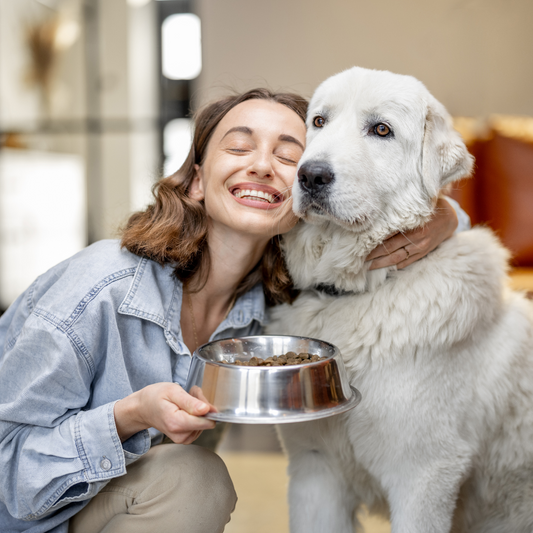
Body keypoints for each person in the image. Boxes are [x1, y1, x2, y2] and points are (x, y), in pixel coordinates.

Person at [0, 88, 469, 533]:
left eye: (289, 157)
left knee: (190, 482)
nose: (264, 166)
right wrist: (130, 414)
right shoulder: (99, 287)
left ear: (307, 193)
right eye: (240, 148)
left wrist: (445, 216)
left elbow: (385, 223)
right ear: (198, 180)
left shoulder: (276, 306)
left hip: (118, 507)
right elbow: (8, 471)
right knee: (195, 479)